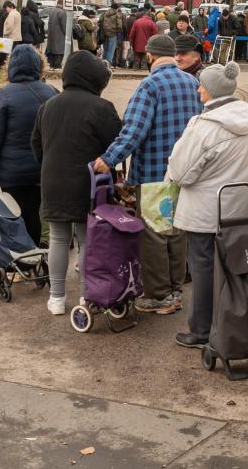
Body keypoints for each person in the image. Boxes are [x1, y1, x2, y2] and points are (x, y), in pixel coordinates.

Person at [93, 33, 201, 313]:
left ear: (150, 56)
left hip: (154, 173)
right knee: (176, 233)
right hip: (183, 174)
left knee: (153, 236)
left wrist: (109, 159)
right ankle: (176, 289)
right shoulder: (192, 82)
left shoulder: (150, 85)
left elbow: (133, 131)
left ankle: (158, 295)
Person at [166, 62, 248, 349]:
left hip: (205, 210)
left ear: (212, 91)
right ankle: (235, 324)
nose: (198, 89)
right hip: (239, 207)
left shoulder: (205, 126)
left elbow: (181, 172)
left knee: (203, 268)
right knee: (235, 270)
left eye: (202, 86)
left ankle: (201, 329)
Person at [33, 50, 122, 315]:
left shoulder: (48, 105)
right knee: (87, 240)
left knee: (58, 239)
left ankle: (56, 298)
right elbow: (115, 144)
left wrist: (50, 164)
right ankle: (87, 294)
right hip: (89, 181)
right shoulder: (101, 107)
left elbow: (36, 144)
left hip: (53, 179)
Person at [0, 44, 56, 240]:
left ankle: (21, 260)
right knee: (34, 212)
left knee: (14, 216)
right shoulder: (51, 92)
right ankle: (35, 256)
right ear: (39, 66)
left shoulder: (4, 94)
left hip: (12, 171)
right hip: (42, 168)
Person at [45, 2, 72, 71]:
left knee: (52, 57)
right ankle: (57, 68)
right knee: (59, 55)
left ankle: (52, 68)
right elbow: (65, 27)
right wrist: (68, 35)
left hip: (51, 37)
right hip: (60, 38)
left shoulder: (52, 11)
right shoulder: (62, 12)